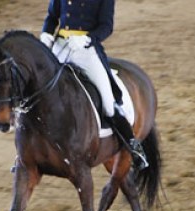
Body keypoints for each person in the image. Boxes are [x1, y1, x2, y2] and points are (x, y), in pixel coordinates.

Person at [40, 0, 148, 170]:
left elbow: (106, 26)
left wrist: (87, 38)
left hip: (86, 51)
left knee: (108, 100)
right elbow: (52, 16)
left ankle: (133, 146)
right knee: (37, 90)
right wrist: (46, 33)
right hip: (60, 47)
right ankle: (24, 152)